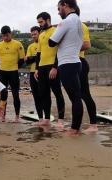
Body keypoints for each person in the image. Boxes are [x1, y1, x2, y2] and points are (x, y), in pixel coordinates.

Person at [49, 0, 84, 136]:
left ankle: (74, 129)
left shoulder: (67, 21)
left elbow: (51, 42)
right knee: (76, 96)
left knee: (74, 97)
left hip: (67, 63)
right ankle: (76, 128)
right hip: (75, 61)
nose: (58, 12)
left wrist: (58, 30)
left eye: (59, 8)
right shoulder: (78, 22)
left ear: (65, 5)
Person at [34, 12, 65, 127]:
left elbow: (60, 50)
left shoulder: (56, 31)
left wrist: (55, 67)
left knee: (57, 93)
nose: (40, 24)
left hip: (52, 66)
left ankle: (60, 120)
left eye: (41, 22)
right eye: (38, 22)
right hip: (42, 67)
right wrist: (37, 69)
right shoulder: (41, 34)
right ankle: (46, 119)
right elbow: (38, 53)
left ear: (48, 20)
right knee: (44, 93)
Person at [0, 25, 25, 122]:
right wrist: (3, 67)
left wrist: (15, 67)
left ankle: (17, 116)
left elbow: (21, 59)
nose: (5, 38)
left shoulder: (18, 44)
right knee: (3, 95)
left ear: (10, 34)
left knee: (16, 94)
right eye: (3, 36)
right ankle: (2, 115)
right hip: (2, 72)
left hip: (13, 72)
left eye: (7, 35)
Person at [76, 8, 98, 132]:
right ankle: (76, 126)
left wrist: (70, 48)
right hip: (72, 63)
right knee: (76, 96)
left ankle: (93, 125)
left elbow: (87, 44)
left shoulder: (81, 26)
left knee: (85, 94)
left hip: (80, 63)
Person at [25, 26, 44, 121]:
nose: (33, 36)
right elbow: (27, 61)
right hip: (32, 73)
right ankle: (40, 118)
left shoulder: (44, 43)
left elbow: (42, 57)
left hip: (43, 72)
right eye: (32, 34)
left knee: (44, 95)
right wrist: (36, 57)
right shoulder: (30, 46)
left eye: (35, 34)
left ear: (40, 33)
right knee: (36, 96)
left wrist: (33, 57)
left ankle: (46, 117)